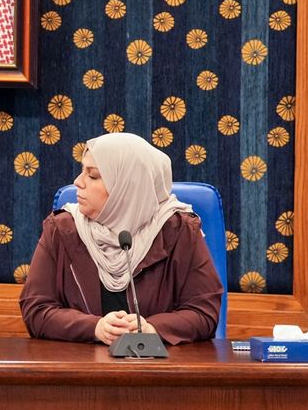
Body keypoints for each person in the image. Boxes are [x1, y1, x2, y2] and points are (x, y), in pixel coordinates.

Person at [18, 133, 221, 345]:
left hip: (159, 362)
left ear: (126, 186)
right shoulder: (61, 229)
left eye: (93, 175)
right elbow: (36, 310)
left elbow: (204, 313)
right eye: (82, 171)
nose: (78, 182)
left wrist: (152, 329)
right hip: (81, 362)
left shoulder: (180, 230)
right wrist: (94, 327)